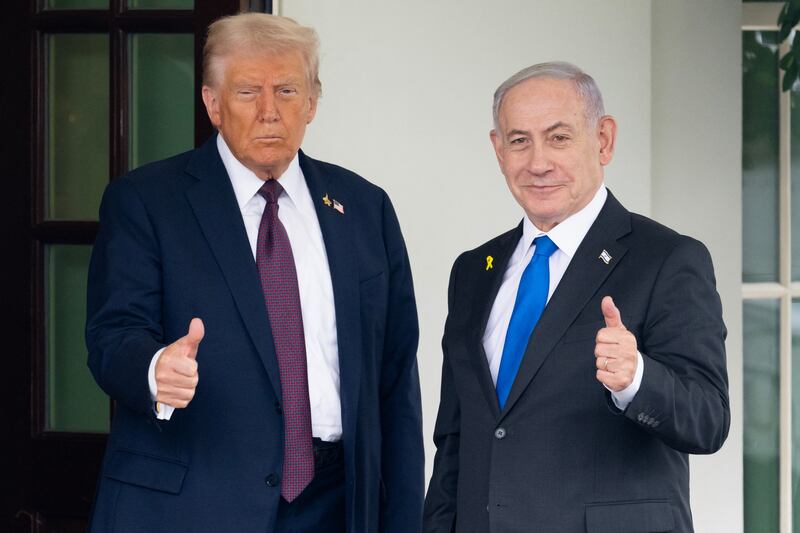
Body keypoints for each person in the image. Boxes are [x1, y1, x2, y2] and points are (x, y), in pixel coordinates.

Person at [86, 13, 423, 533]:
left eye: (287, 90)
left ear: (312, 102)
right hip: (192, 504)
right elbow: (112, 335)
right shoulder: (146, 201)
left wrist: (404, 520)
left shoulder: (364, 207)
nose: (270, 112)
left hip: (336, 505)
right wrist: (155, 369)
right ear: (212, 103)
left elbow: (396, 380)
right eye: (247, 92)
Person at [423, 61, 729, 533]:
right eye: (519, 140)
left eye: (559, 137)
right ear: (498, 149)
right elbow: (455, 440)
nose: (538, 162)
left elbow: (708, 419)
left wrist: (635, 379)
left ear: (603, 140)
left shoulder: (668, 259)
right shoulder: (472, 271)